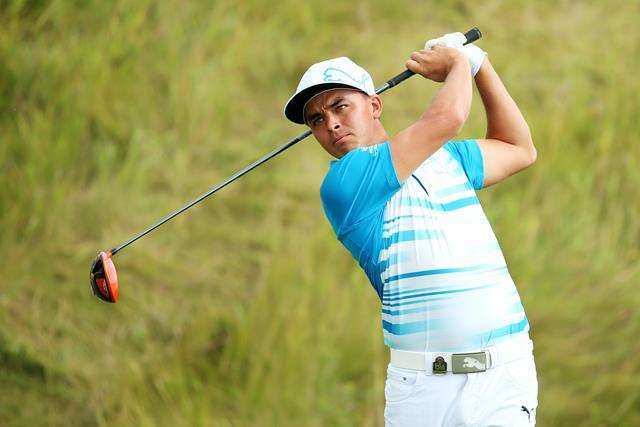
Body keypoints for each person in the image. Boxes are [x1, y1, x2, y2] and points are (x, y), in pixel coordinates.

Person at [283, 32, 538, 426]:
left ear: (374, 105)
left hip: (504, 374)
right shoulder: (344, 183)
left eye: (340, 106)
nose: (331, 124)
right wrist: (457, 64)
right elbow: (448, 118)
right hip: (424, 388)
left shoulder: (447, 159)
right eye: (316, 119)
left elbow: (519, 149)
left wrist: (480, 62)